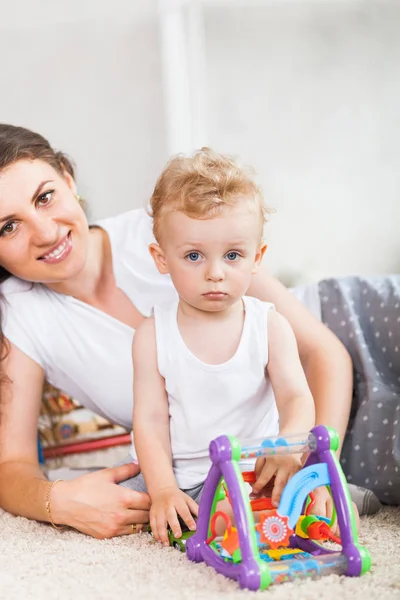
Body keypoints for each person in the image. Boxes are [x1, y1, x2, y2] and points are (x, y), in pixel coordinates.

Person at [0, 124, 377, 539]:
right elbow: (11, 465)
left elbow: (323, 354)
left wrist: (318, 465)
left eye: (45, 197)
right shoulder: (20, 314)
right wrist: (59, 502)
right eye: (8, 227)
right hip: (271, 450)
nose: (46, 231)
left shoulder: (163, 225)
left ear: (68, 180)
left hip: (337, 354)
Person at [129, 148, 315, 545]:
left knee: (315, 492)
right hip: (187, 480)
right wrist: (163, 489)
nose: (215, 273)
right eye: (194, 256)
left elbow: (297, 397)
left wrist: (288, 445)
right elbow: (149, 420)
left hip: (260, 471)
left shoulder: (269, 325)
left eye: (233, 256)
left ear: (257, 257)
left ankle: (325, 496)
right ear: (161, 259)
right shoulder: (152, 333)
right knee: (128, 499)